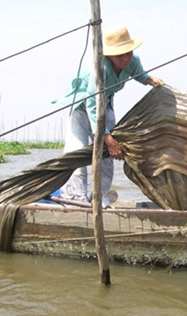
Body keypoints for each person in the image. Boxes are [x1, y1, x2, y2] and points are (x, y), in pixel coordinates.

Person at [56, 25, 164, 202]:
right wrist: (107, 137)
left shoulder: (132, 60)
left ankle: (99, 196)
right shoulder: (100, 69)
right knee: (76, 152)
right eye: (120, 55)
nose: (126, 58)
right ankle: (75, 197)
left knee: (108, 154)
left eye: (128, 52)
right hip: (83, 107)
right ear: (110, 55)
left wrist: (150, 80)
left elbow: (139, 74)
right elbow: (92, 105)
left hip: (105, 104)